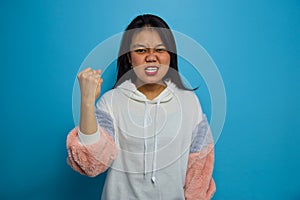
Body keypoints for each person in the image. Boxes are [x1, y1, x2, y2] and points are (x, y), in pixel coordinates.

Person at [66, 14, 216, 200]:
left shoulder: (189, 102)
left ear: (170, 55)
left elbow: (199, 170)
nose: (151, 57)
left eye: (160, 49)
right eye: (141, 50)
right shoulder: (111, 102)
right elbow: (92, 163)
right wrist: (87, 103)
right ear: (129, 57)